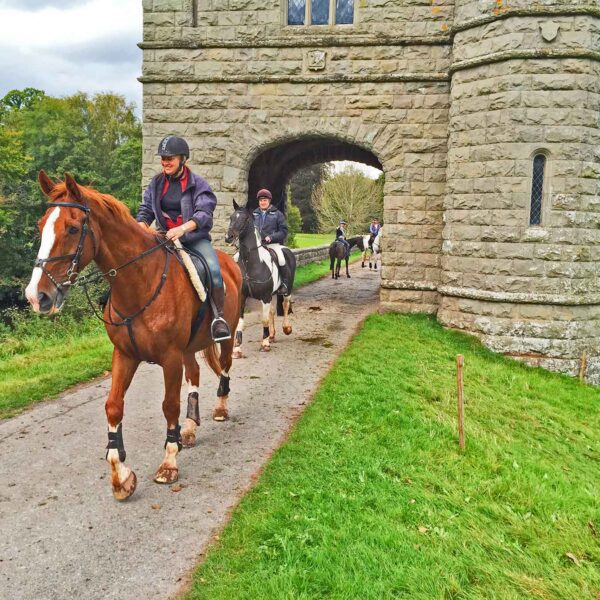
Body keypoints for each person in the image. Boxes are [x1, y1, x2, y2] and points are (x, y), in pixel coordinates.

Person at [136, 135, 231, 342]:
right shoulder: (156, 183)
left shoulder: (198, 183)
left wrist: (182, 229)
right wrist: (138, 229)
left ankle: (218, 319)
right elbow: (145, 211)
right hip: (164, 239)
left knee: (214, 271)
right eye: (163, 158)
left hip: (193, 239)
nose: (165, 162)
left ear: (182, 159)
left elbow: (204, 214)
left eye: (170, 158)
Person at [252, 189, 291, 295]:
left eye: (264, 200)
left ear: (269, 201)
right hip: (257, 245)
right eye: (260, 201)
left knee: (282, 259)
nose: (262, 202)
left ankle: (284, 285)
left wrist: (272, 237)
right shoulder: (254, 214)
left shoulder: (278, 214)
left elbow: (283, 231)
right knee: (237, 257)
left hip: (272, 244)